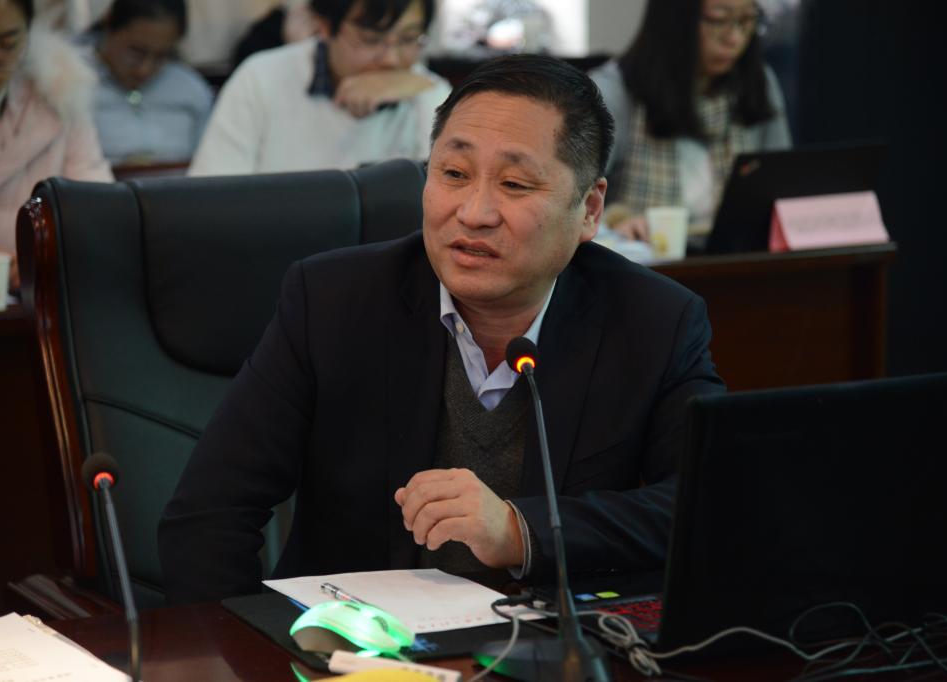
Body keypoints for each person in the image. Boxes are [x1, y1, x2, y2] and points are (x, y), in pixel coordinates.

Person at [158, 53, 724, 604]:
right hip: (355, 645)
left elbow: (712, 506)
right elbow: (209, 512)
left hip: (552, 645)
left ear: (590, 210)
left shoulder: (654, 321)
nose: (474, 213)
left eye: (515, 184)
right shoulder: (332, 301)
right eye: (453, 174)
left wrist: (520, 531)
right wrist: (250, 648)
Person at [590, 0, 791, 241]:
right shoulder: (612, 92)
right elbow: (576, 202)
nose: (734, 39)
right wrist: (615, 225)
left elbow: (781, 190)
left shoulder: (758, 84)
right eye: (718, 20)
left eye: (746, 20)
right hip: (642, 257)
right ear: (674, 21)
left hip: (735, 256)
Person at [188, 0, 450, 176]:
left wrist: (428, 93)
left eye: (409, 38)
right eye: (371, 39)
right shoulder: (260, 78)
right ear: (323, 26)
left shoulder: (429, 93)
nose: (391, 59)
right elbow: (212, 196)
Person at [0, 0, 111, 289]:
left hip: (45, 284)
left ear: (28, 32)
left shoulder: (62, 89)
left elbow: (96, 205)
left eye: (8, 43)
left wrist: (46, 254)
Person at [86, 0, 214, 165]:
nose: (144, 70)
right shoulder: (68, 84)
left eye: (162, 56)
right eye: (136, 52)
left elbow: (211, 165)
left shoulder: (191, 90)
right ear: (109, 26)